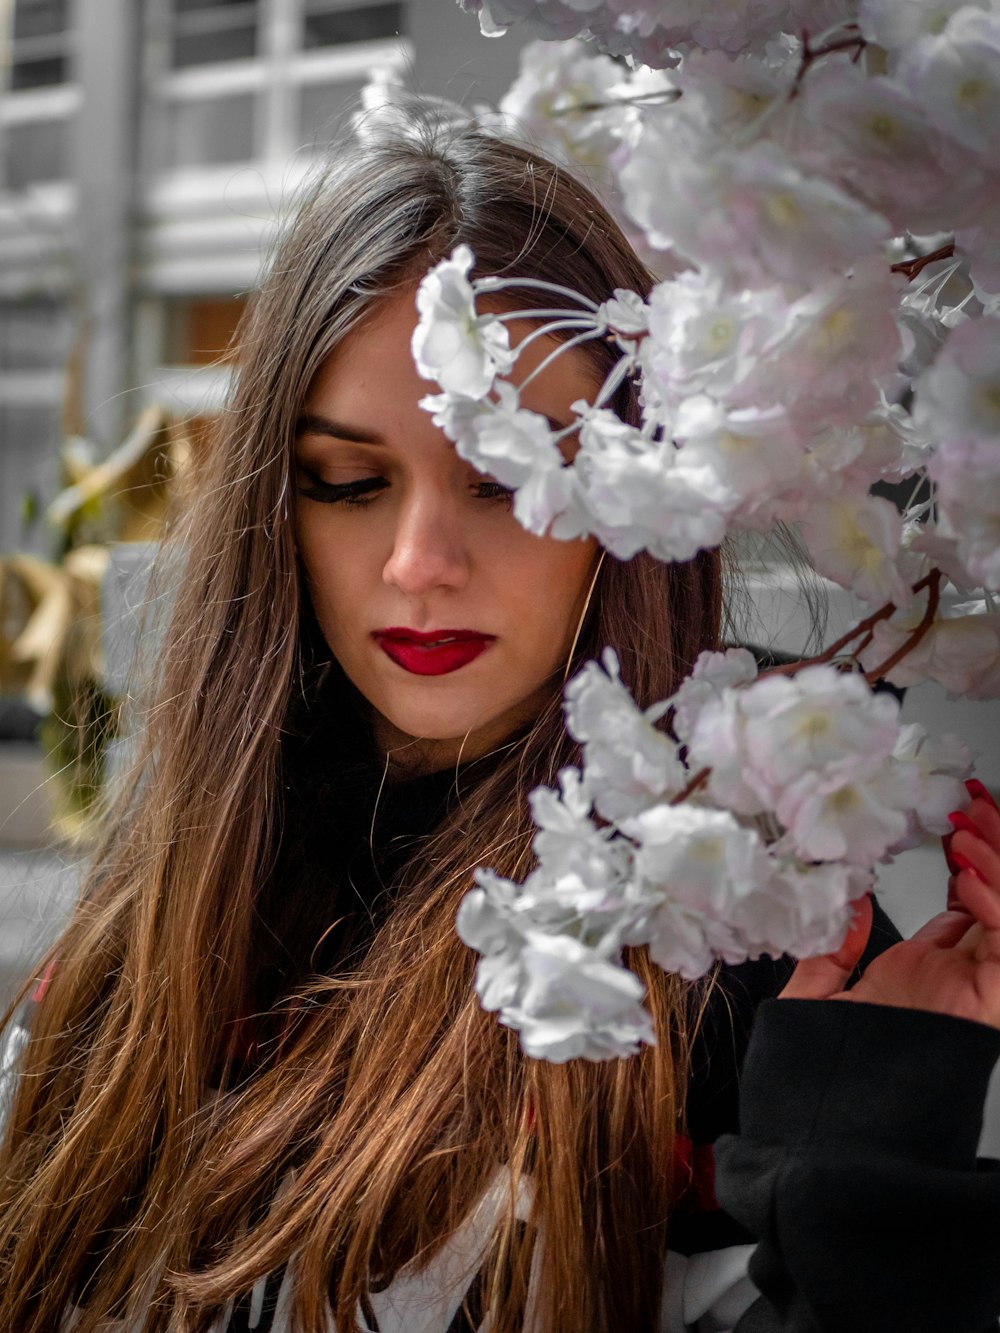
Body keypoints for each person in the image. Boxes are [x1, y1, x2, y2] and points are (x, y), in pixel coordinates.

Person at [1, 108, 999, 1333]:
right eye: (349, 482)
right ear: (276, 502)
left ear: (634, 497)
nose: (420, 561)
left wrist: (865, 1184)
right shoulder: (165, 904)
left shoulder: (727, 939)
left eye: (512, 480)